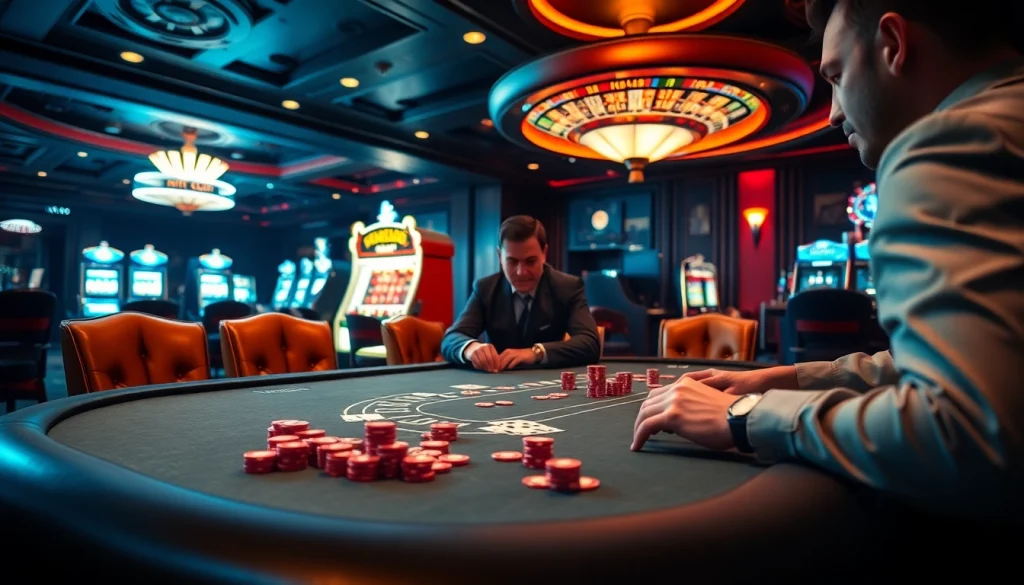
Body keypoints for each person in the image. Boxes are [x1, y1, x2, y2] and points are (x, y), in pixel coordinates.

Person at [632, 0, 1024, 519]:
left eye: (836, 76)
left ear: (893, 44)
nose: (835, 111)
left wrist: (745, 414)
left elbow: (966, 434)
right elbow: (987, 371)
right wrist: (781, 378)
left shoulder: (947, 146)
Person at [441, 215, 601, 372]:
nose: (521, 272)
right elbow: (451, 339)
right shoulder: (485, 289)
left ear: (544, 253)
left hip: (547, 382)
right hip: (496, 382)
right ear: (499, 257)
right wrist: (471, 348)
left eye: (530, 261)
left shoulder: (567, 287)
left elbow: (589, 343)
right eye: (512, 261)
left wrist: (535, 352)